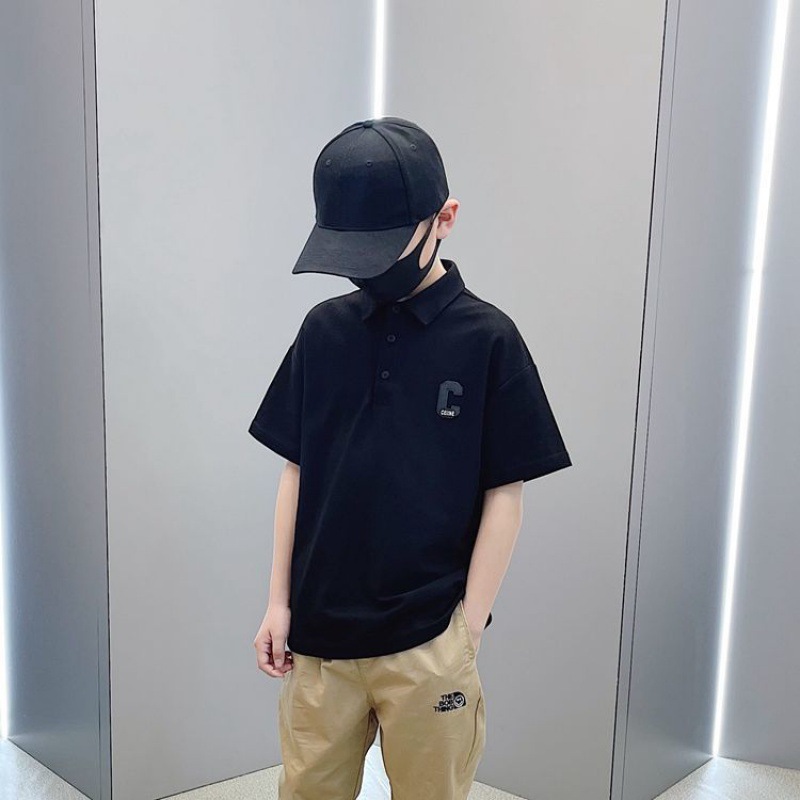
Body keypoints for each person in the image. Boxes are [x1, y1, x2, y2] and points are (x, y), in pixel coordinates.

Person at [249, 116, 572, 799]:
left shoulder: (488, 340)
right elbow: (297, 469)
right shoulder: (324, 331)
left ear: (444, 219)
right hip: (320, 639)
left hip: (429, 641)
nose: (368, 271)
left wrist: (467, 630)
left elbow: (505, 492)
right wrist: (278, 602)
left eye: (383, 250)